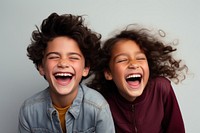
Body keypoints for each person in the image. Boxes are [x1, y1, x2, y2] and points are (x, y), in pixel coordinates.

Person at [18, 12, 115, 133]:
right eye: (54, 56)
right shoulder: (29, 111)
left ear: (86, 68)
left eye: (73, 57)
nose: (63, 63)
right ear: (41, 67)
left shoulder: (99, 108)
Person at [88, 25, 188, 133]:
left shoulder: (161, 88)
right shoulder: (101, 101)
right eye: (122, 60)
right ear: (108, 73)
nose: (134, 64)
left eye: (140, 58)